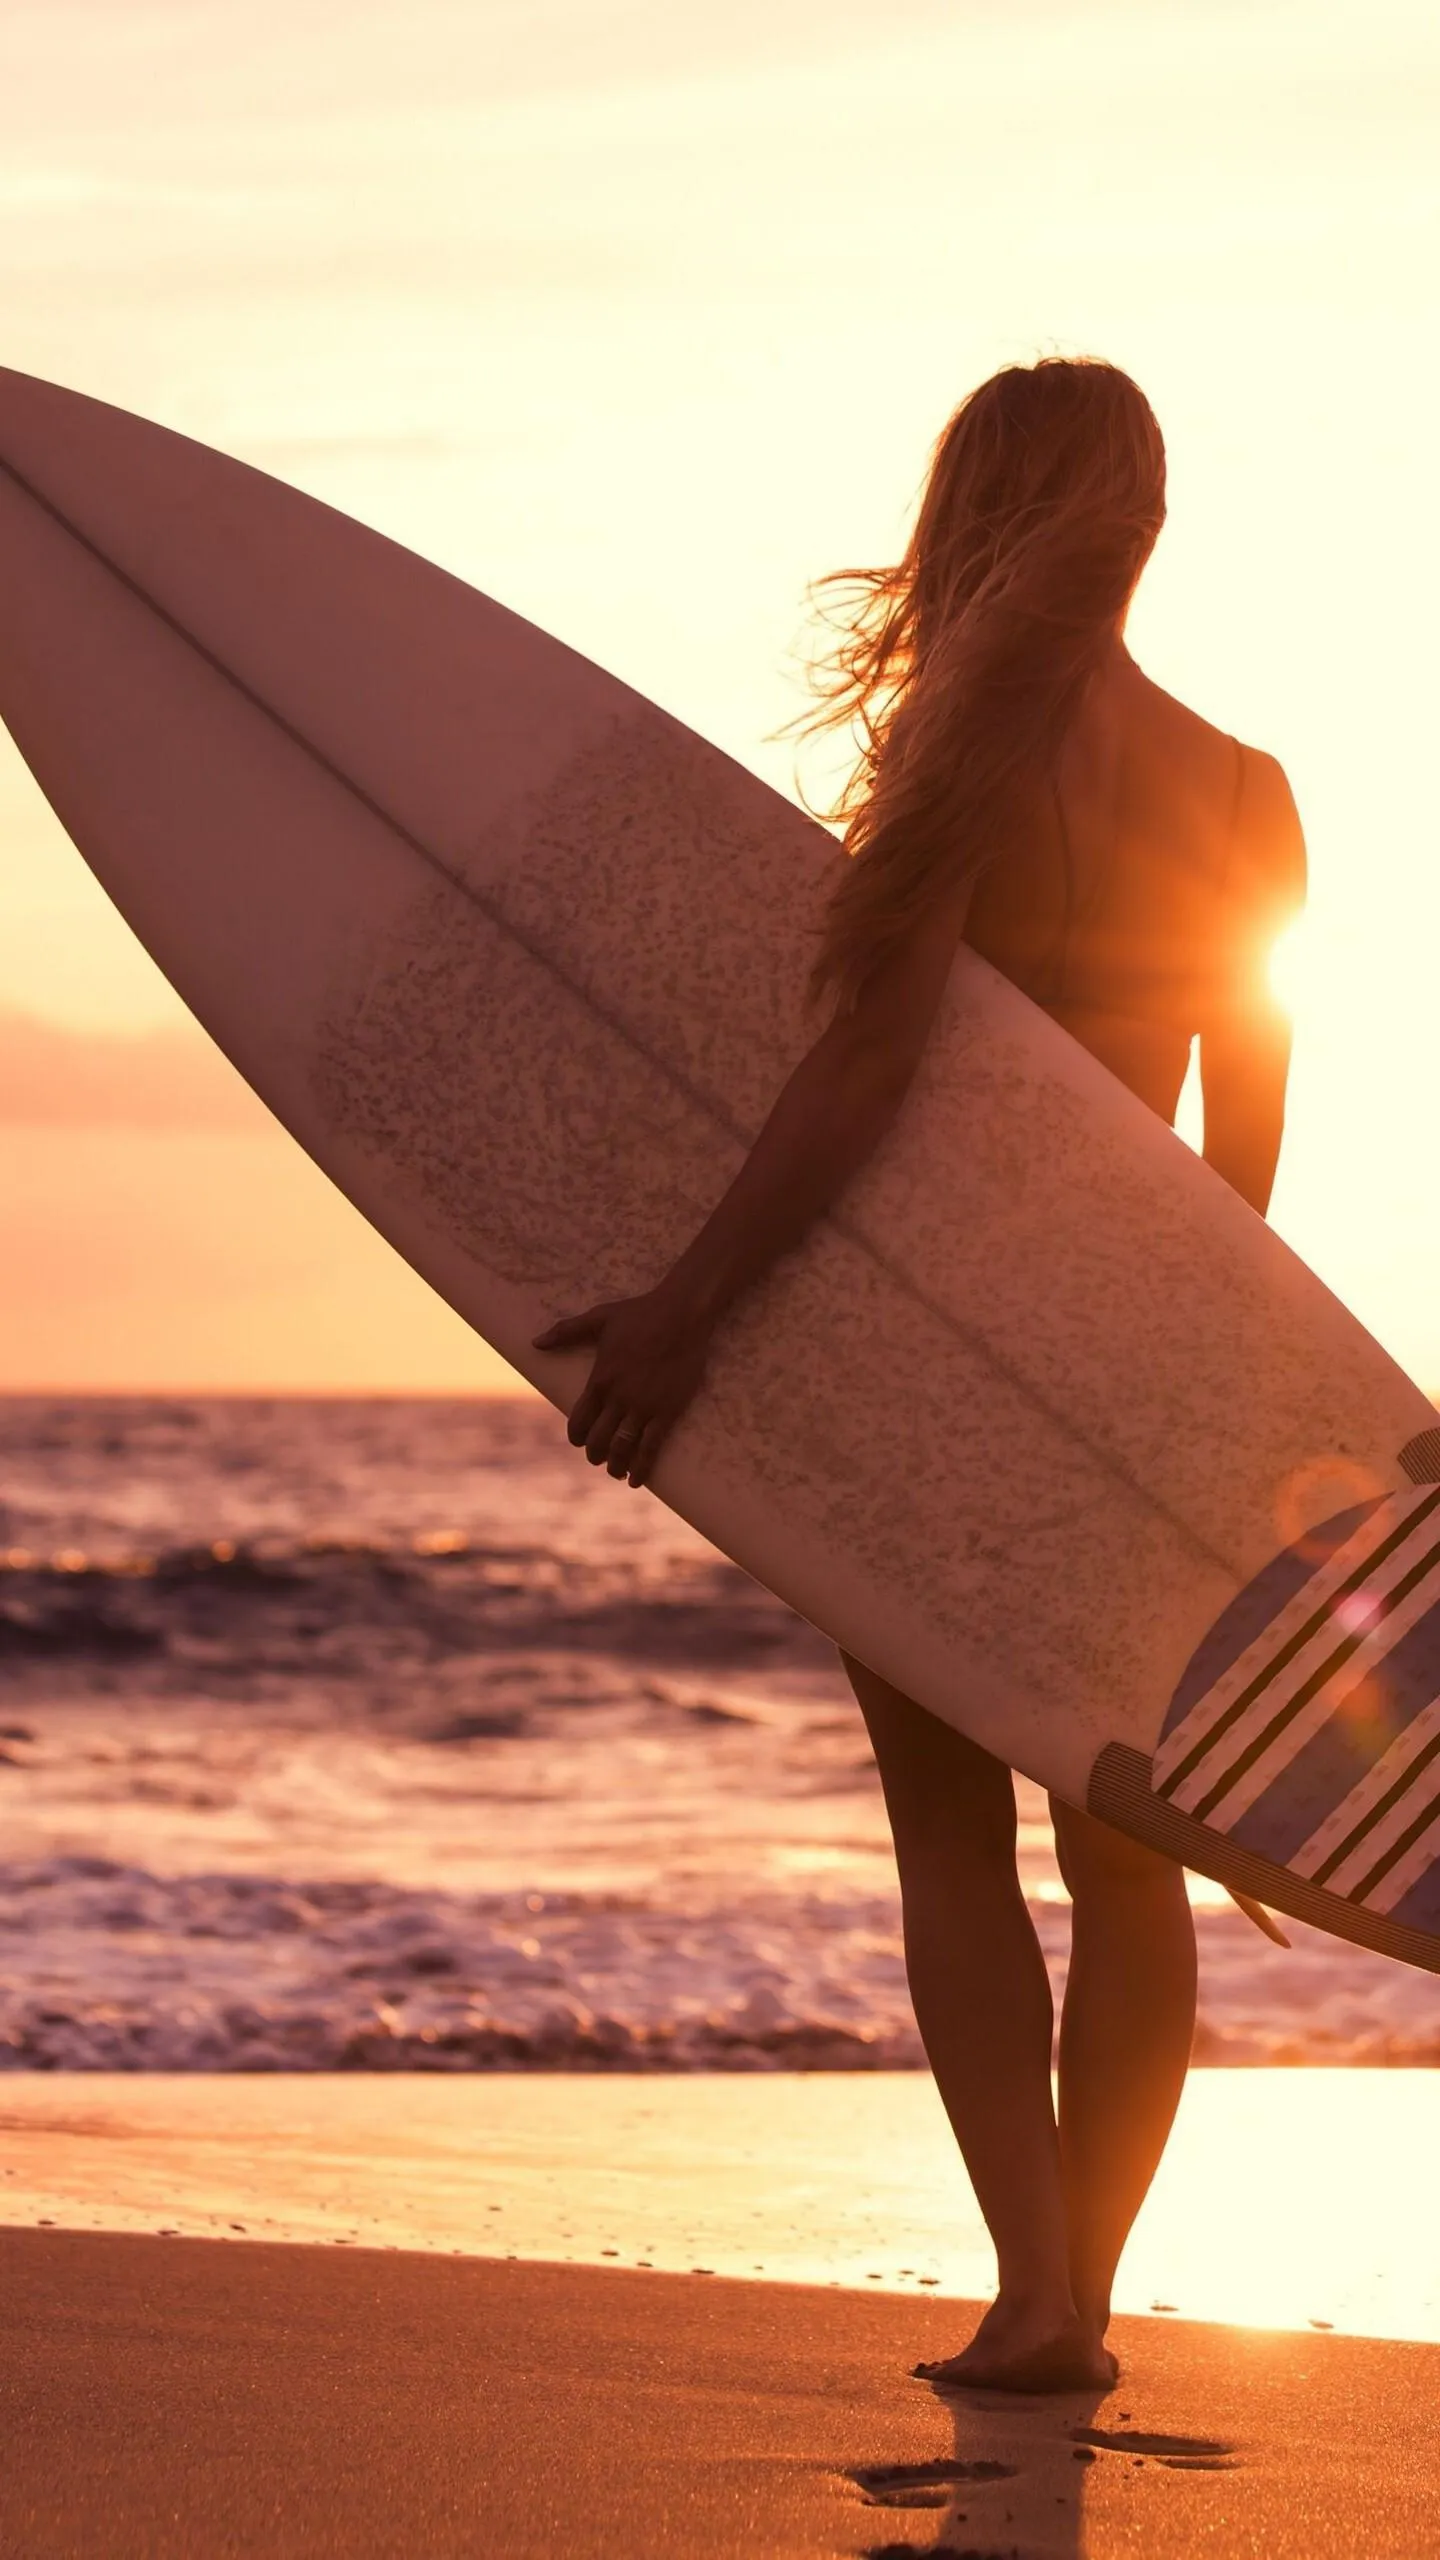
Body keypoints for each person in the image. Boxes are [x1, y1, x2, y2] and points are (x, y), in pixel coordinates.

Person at [534, 357, 1307, 2393]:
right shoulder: (1250, 793)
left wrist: (691, 1302)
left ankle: (1035, 2289)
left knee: (951, 1825)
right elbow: (1241, 1179)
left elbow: (863, 1072)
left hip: (925, 1349)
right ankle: (1096, 2296)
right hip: (1141, 1363)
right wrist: (1221, 1425)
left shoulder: (961, 758)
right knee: (1124, 1835)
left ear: (979, 512)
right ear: (1138, 519)